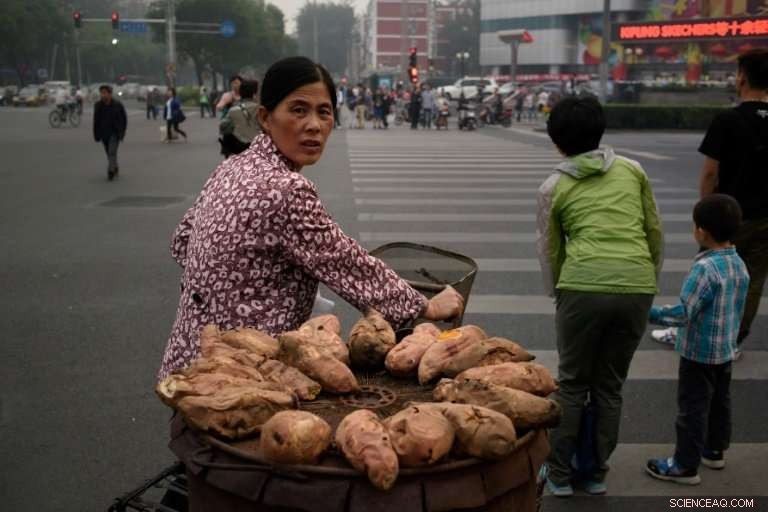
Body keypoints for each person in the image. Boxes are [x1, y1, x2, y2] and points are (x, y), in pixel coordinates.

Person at [158, 56, 464, 381]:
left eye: (324, 111)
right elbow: (344, 262)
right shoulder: (286, 189)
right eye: (299, 110)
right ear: (265, 117)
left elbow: (182, 242)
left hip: (187, 356)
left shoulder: (232, 167)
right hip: (242, 372)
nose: (314, 125)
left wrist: (243, 281)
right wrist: (425, 306)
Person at [536, 97, 663, 497]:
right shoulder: (633, 170)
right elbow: (653, 232)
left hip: (582, 287)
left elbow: (551, 250)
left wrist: (559, 291)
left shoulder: (553, 186)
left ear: (556, 141)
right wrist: (645, 278)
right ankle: (595, 473)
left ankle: (559, 475)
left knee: (573, 383)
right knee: (609, 385)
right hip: (637, 285)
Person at [653, 49, 768, 358]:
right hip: (765, 218)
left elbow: (710, 173)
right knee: (752, 282)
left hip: (727, 216)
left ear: (742, 77)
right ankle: (733, 340)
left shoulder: (728, 119)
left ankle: (686, 330)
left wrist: (705, 213)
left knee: (706, 276)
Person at [645, 195, 749, 485]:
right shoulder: (739, 264)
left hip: (698, 353)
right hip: (725, 349)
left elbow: (684, 312)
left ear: (701, 232)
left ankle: (684, 465)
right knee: (719, 402)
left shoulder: (704, 268)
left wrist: (649, 312)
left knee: (692, 407)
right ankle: (714, 450)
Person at [93, 85, 127, 181]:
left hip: (115, 133)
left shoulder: (118, 105)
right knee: (109, 152)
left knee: (112, 152)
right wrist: (96, 134)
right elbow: (96, 121)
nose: (103, 95)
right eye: (101, 93)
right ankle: (114, 166)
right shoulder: (98, 105)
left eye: (105, 93)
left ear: (110, 94)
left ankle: (110, 170)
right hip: (103, 133)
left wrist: (122, 132)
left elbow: (124, 119)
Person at [219, 79, 260, 157]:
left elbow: (223, 127)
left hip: (239, 148)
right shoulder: (262, 110)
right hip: (260, 147)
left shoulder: (233, 110)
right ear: (254, 94)